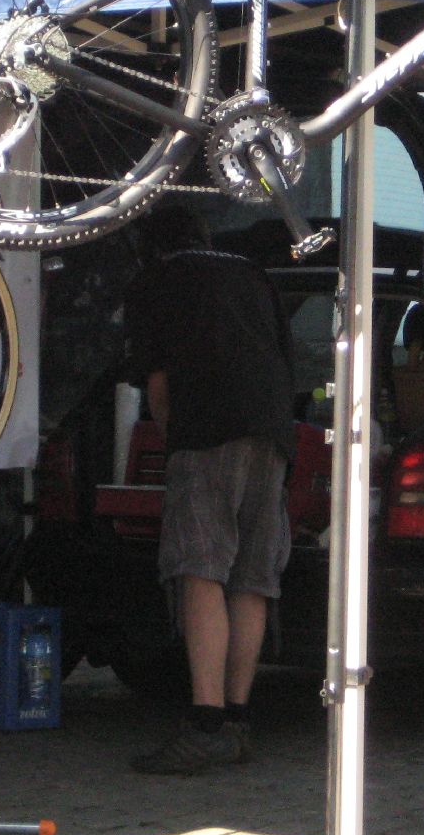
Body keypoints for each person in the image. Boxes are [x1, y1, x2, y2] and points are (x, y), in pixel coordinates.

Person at [123, 200, 295, 774]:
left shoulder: (158, 279)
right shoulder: (252, 273)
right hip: (273, 431)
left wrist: (176, 443)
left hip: (208, 428)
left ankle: (205, 723)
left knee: (201, 569)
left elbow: (159, 385)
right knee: (251, 577)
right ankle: (238, 721)